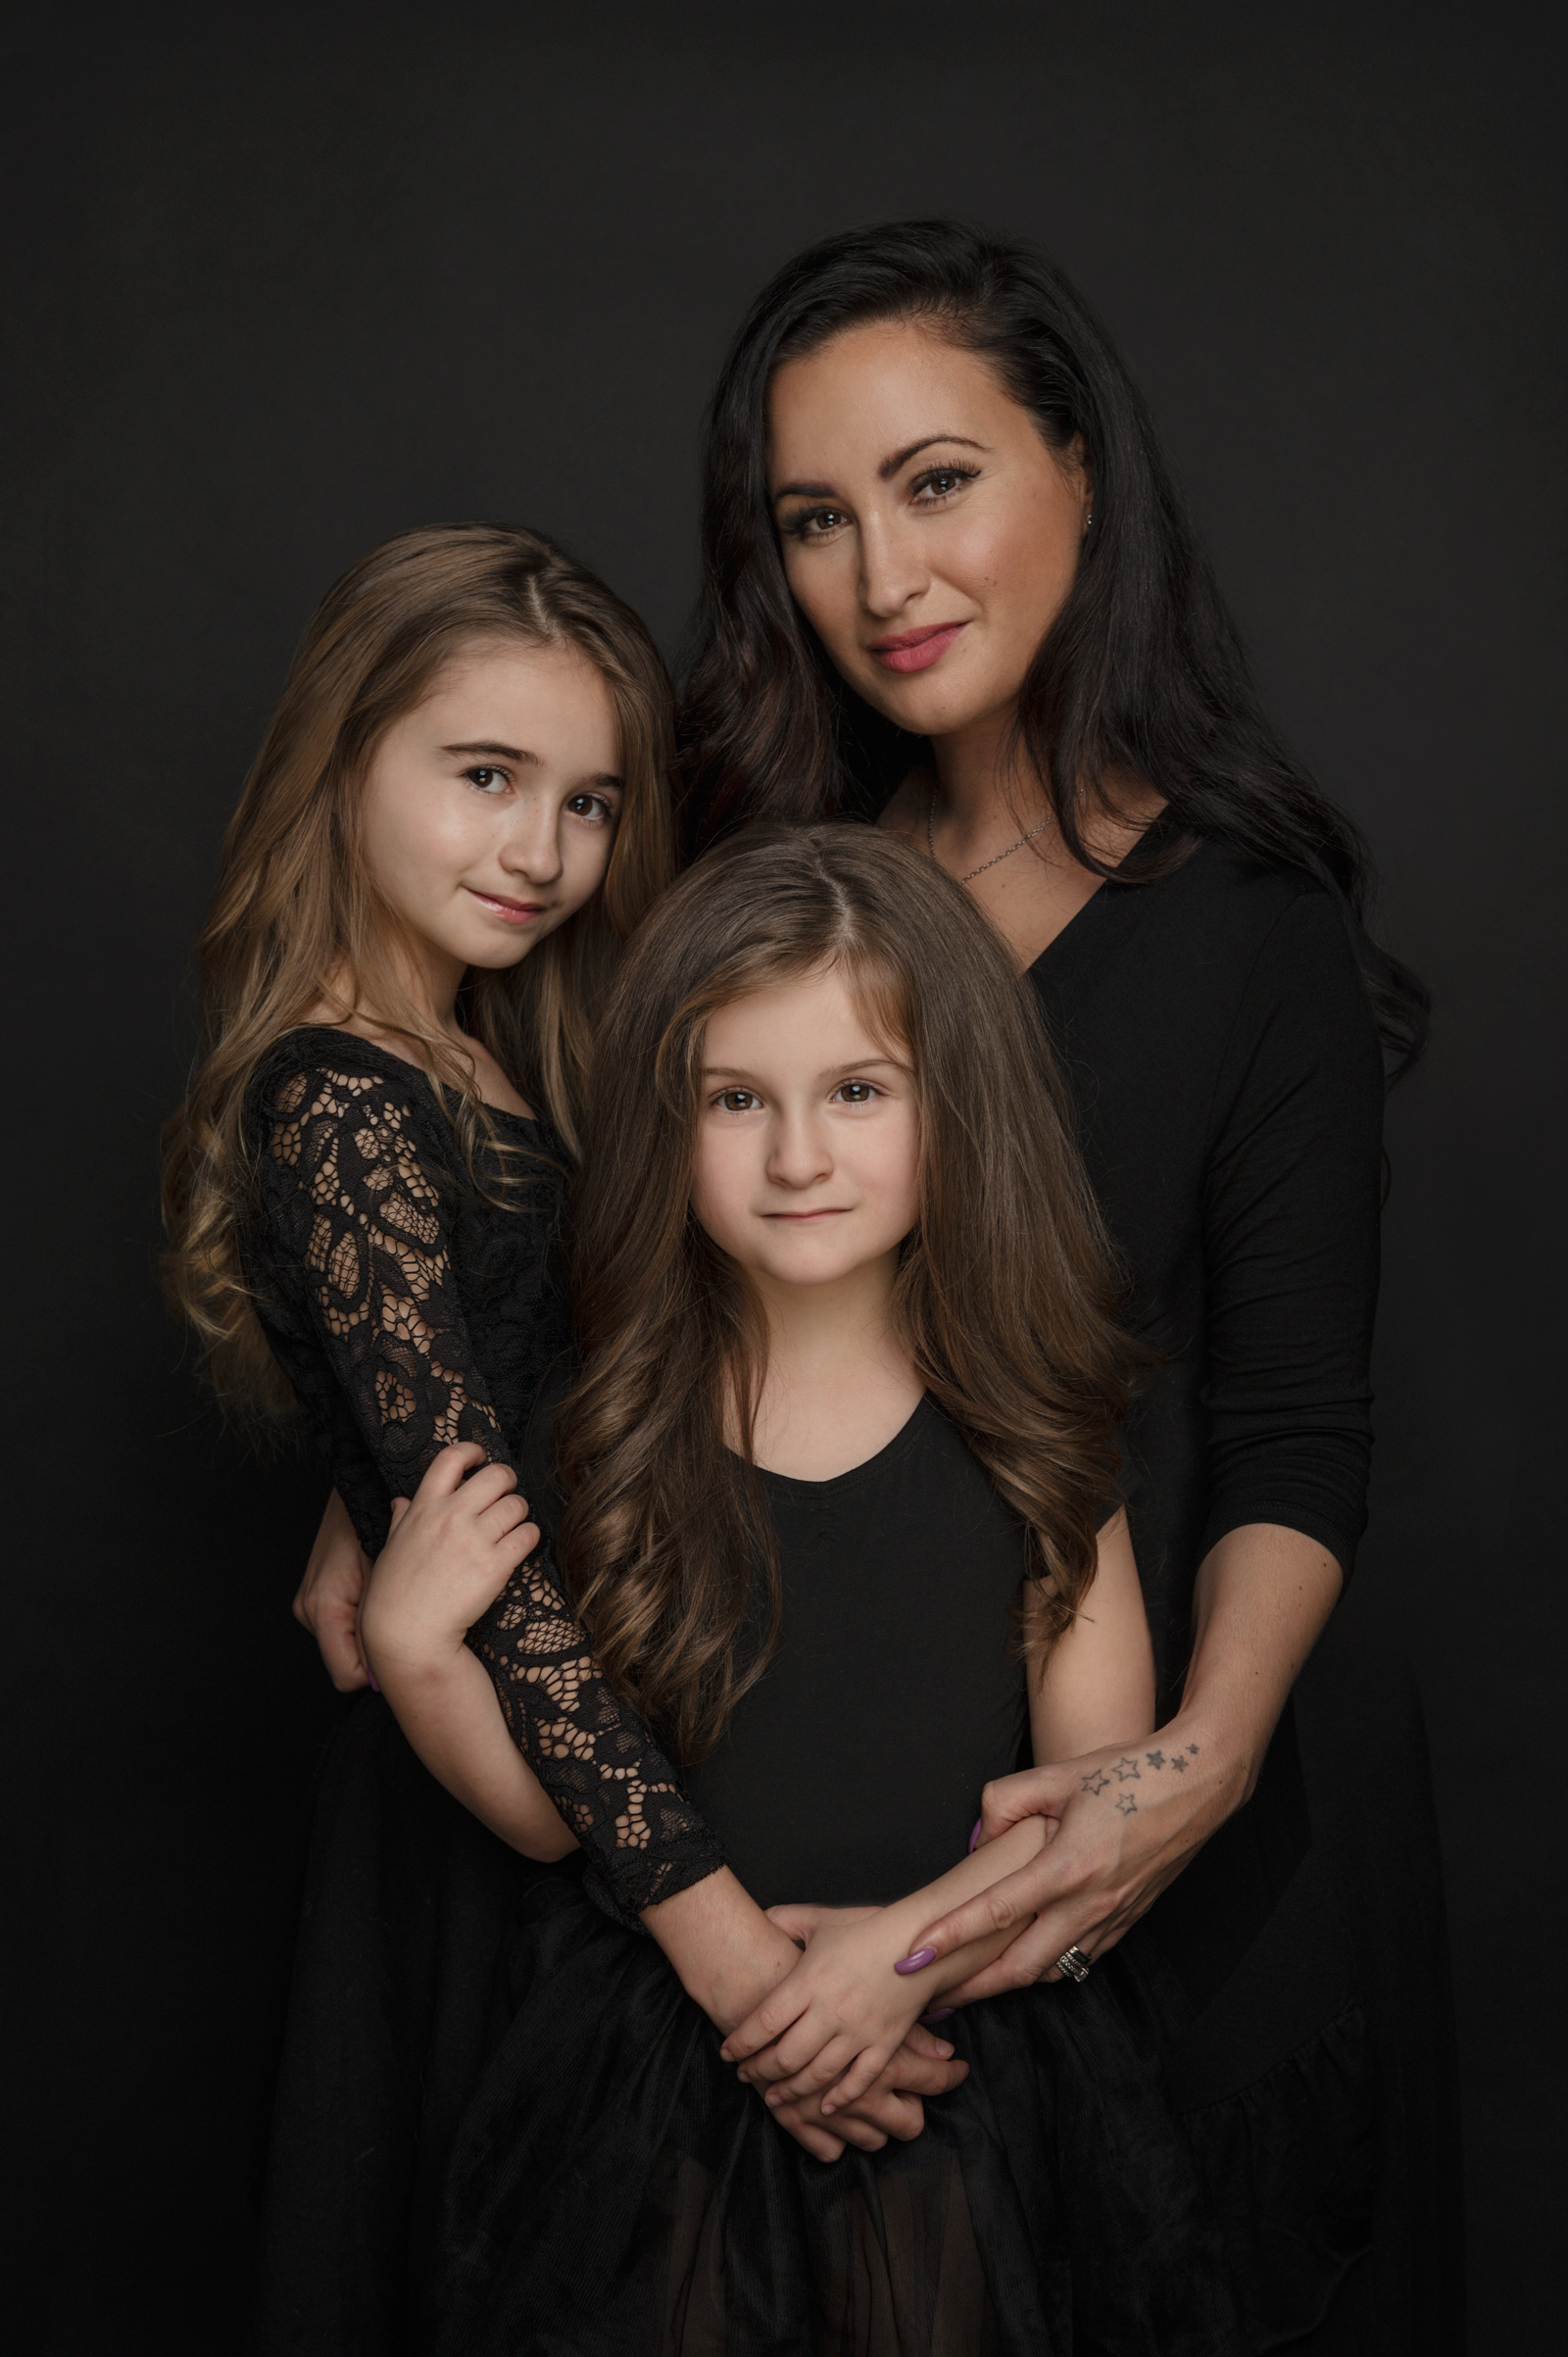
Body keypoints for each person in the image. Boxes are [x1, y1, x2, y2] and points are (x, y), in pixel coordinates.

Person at [667, 221, 1458, 2351]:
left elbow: (1297, 1428)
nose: (879, 577)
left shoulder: (1244, 928)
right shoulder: (753, 896)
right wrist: (374, 1471)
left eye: (935, 482)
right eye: (812, 521)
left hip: (1151, 1873)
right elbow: (603, 1290)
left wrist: (1176, 1776)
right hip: (782, 1875)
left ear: (1079, 473)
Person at [161, 525, 968, 2354]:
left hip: (606, 1751)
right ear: (344, 758)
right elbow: (497, 1578)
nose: (540, 851)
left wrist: (363, 1493)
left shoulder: (492, 1046)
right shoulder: (343, 1099)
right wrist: (732, 1951)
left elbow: (501, 1386)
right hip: (522, 1803)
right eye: (484, 778)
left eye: (590, 801)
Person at [358, 820, 1252, 2354]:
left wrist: (887, 1967)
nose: (796, 1155)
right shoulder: (608, 1427)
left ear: (952, 1098)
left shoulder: (1041, 1422)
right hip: (671, 2073)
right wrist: (417, 1652)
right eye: (735, 1099)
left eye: (856, 1090)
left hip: (965, 2061)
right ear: (668, 1115)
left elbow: (1089, 1788)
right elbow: (550, 1810)